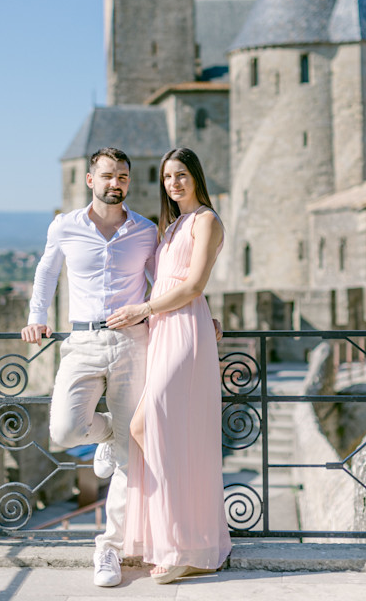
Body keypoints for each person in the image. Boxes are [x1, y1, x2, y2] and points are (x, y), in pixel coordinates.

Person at [21, 147, 157, 588]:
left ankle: (109, 549)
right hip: (80, 341)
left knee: (129, 458)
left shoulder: (146, 231)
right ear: (89, 179)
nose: (115, 182)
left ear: (128, 182)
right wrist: (36, 316)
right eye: (107, 175)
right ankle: (110, 435)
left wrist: (201, 316)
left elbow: (166, 283)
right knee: (63, 430)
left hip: (132, 342)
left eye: (122, 176)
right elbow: (46, 271)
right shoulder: (65, 225)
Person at [106, 147, 232, 585]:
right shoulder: (172, 225)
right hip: (165, 328)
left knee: (152, 424)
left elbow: (194, 283)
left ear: (196, 177)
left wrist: (144, 309)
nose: (174, 183)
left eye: (181, 175)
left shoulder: (207, 221)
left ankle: (185, 546)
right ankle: (174, 539)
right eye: (166, 177)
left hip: (181, 331)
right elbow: (174, 281)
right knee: (158, 429)